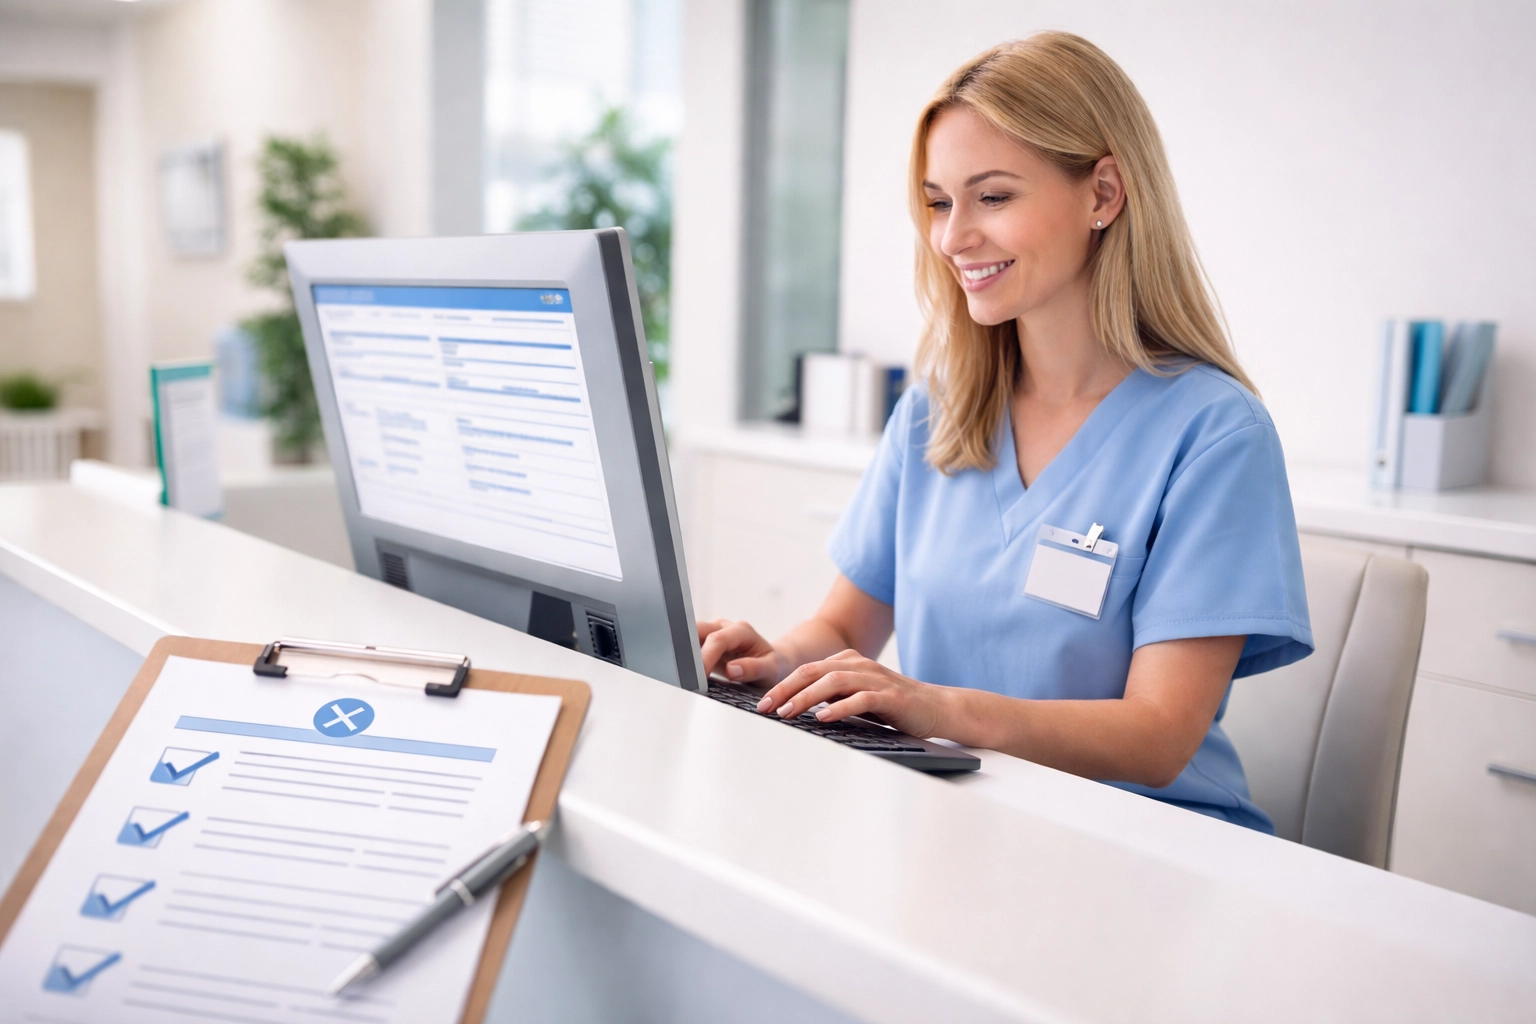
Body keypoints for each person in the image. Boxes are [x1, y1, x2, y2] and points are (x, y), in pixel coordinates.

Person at [697, 32, 1313, 833]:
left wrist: (939, 709)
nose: (953, 237)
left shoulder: (1214, 435)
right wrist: (778, 664)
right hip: (959, 823)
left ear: (1103, 193)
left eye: (991, 197)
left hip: (1148, 842)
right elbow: (846, 627)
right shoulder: (936, 411)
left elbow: (1160, 735)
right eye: (938, 203)